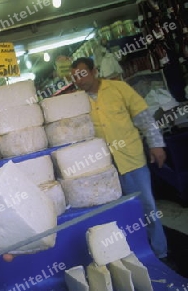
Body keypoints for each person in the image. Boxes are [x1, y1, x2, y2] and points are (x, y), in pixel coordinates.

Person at [71, 57, 169, 261]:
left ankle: (161, 252)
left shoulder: (118, 88)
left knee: (147, 206)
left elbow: (143, 117)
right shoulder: (76, 102)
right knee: (119, 213)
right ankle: (133, 254)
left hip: (131, 159)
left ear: (94, 71)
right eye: (74, 77)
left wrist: (156, 144)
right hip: (103, 168)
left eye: (82, 73)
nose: (79, 80)